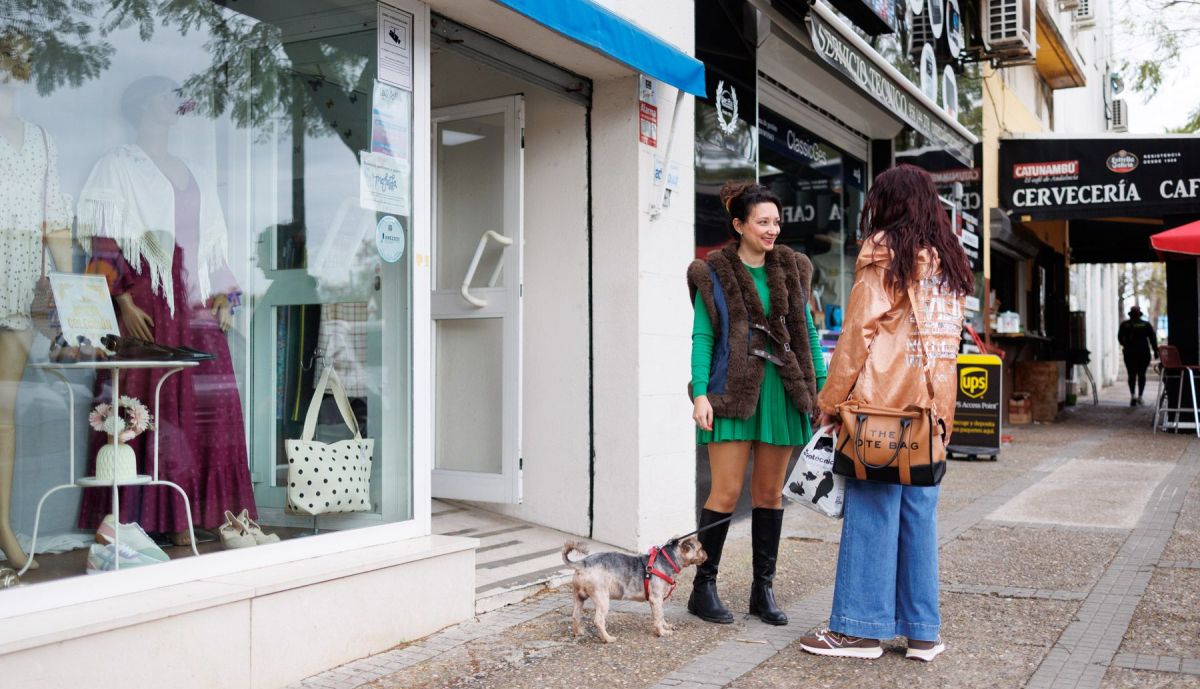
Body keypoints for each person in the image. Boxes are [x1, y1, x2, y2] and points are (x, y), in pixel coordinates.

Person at [798, 165, 971, 662]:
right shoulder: (949, 260)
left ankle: (858, 630)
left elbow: (857, 334)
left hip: (882, 408)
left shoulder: (883, 252)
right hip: (932, 407)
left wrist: (830, 402)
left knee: (872, 512)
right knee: (918, 515)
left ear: (888, 203)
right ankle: (922, 632)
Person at [76, 76, 256, 544]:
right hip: (146, 303)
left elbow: (214, 247)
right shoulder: (119, 164)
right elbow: (104, 239)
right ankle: (144, 521)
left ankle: (198, 515)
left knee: (207, 408)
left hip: (193, 303)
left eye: (177, 97)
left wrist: (226, 297)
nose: (173, 104)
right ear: (139, 105)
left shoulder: (192, 168)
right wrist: (120, 299)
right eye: (163, 95)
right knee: (148, 409)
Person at [686, 181, 826, 626]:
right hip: (730, 391)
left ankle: (762, 590)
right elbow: (704, 335)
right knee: (725, 492)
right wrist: (699, 391)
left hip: (782, 394)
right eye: (763, 221)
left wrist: (821, 390)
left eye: (776, 222)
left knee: (769, 495)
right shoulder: (714, 273)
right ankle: (702, 588)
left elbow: (808, 334)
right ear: (739, 225)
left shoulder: (791, 268)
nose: (772, 229)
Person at [1117, 305, 1157, 406]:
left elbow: (1120, 338)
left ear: (1130, 314)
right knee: (1141, 375)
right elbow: (1152, 339)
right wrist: (1156, 351)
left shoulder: (1125, 325)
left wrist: (1125, 345)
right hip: (1143, 353)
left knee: (1131, 375)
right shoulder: (1145, 324)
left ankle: (1133, 396)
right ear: (1140, 314)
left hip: (1129, 353)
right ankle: (1139, 397)